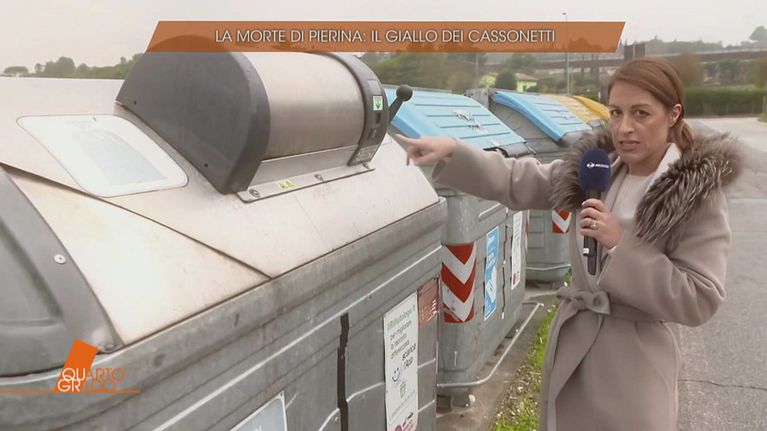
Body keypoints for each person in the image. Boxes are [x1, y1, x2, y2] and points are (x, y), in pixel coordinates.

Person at [397, 57, 742, 431]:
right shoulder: (596, 169)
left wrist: (620, 244)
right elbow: (520, 179)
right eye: (616, 112)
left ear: (673, 114)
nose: (624, 127)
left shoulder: (696, 196)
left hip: (636, 371)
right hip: (574, 353)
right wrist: (453, 152)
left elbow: (699, 298)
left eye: (641, 113)